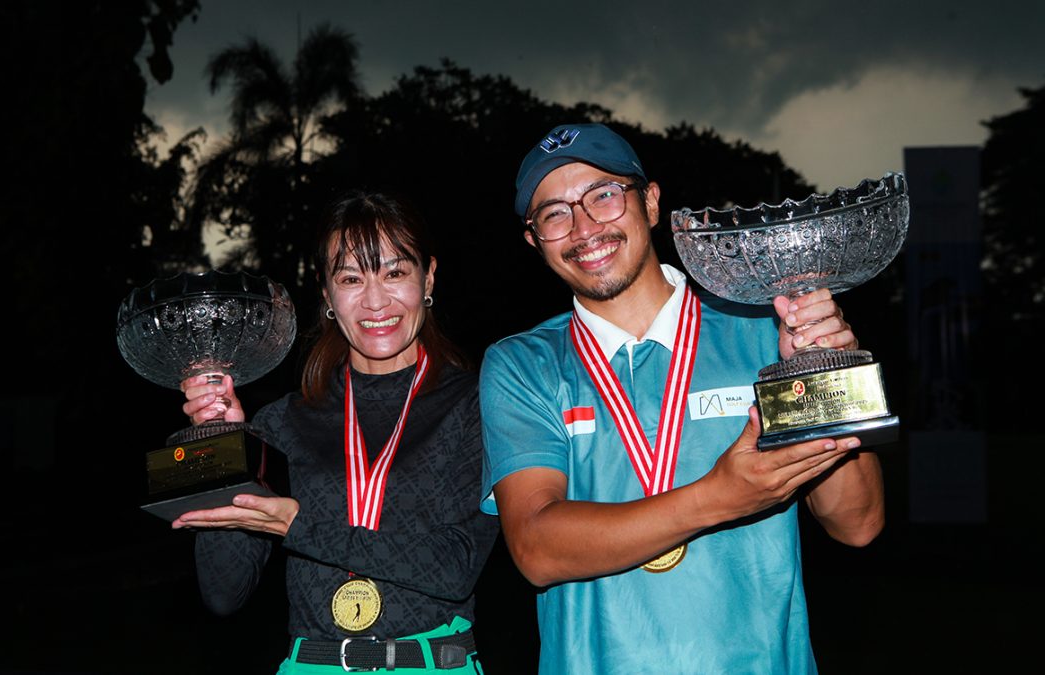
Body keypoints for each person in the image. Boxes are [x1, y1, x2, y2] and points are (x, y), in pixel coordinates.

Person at [478, 123, 884, 674]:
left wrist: (823, 375)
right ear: (534, 239)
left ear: (649, 202)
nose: (584, 228)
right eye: (554, 213)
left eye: (603, 195)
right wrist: (720, 496)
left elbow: (856, 524)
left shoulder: (763, 328)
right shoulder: (524, 364)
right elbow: (537, 549)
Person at [172, 191, 500, 674]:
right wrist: (226, 449)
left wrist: (297, 526)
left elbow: (454, 566)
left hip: (432, 663)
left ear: (428, 277)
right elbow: (224, 594)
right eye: (350, 278)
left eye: (394, 272)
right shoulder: (281, 421)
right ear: (326, 294)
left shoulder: (477, 403)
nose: (374, 301)